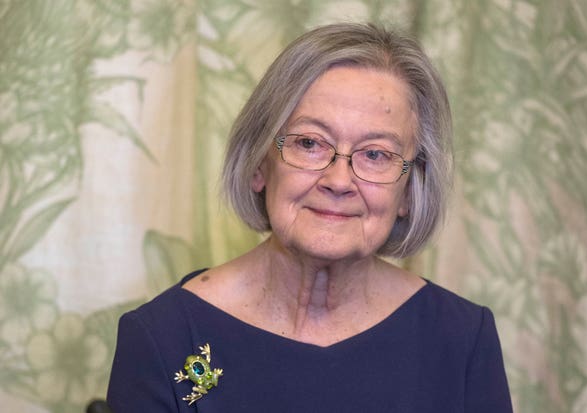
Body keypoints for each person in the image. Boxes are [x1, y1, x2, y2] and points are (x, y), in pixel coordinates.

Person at [107, 22, 512, 412]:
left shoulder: (462, 339)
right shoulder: (162, 336)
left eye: (375, 154)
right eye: (309, 143)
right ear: (259, 163)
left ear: (409, 189)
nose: (339, 180)